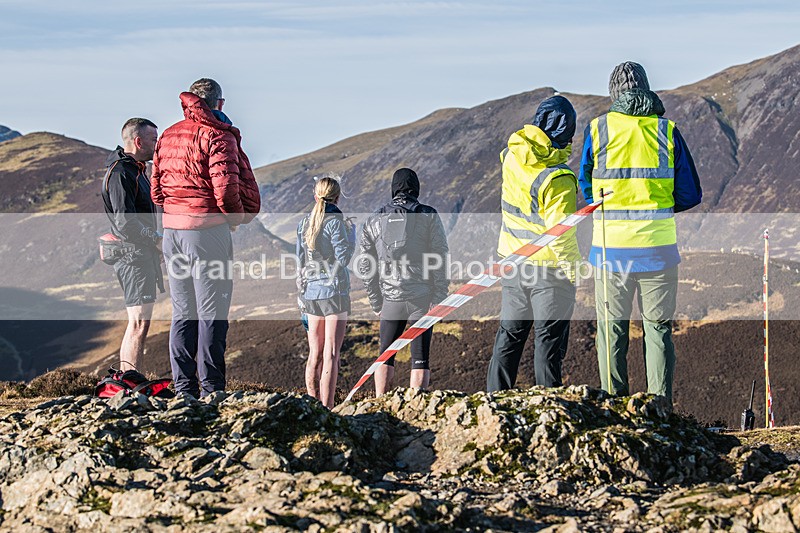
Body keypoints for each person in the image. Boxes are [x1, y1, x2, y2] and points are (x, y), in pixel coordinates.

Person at [579, 62, 702, 403]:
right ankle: (659, 409)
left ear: (613, 93)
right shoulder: (667, 131)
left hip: (609, 249)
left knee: (611, 331)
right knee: (658, 330)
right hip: (658, 248)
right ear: (646, 90)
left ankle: (614, 408)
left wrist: (605, 205)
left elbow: (585, 185)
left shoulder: (597, 130)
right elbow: (691, 194)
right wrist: (658, 206)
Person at [151, 78, 261, 398]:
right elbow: (226, 188)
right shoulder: (217, 135)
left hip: (173, 234)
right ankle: (212, 389)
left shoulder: (168, 135)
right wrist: (235, 218)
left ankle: (184, 388)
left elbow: (157, 190)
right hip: (206, 233)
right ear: (220, 104)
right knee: (212, 311)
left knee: (183, 311)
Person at [487, 96, 581, 392]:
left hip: (513, 264)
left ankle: (494, 400)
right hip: (549, 273)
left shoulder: (511, 157)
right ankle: (549, 405)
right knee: (548, 343)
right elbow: (561, 234)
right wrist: (574, 271)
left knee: (509, 336)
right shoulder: (559, 178)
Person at [357, 168, 449, 395]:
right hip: (422, 298)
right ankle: (416, 407)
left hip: (390, 299)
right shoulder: (428, 214)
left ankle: (381, 404)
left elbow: (367, 266)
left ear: (393, 189)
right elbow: (440, 255)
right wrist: (439, 297)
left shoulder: (374, 220)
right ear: (416, 188)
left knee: (385, 356)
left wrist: (376, 301)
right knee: (420, 358)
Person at [101, 118, 163, 372]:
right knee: (138, 322)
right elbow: (125, 222)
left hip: (139, 255)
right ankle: (129, 381)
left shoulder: (135, 170)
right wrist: (156, 240)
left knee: (140, 322)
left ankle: (130, 380)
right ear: (138, 142)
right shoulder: (121, 173)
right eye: (153, 140)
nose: (157, 145)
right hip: (132, 257)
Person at [296, 175, 355, 408]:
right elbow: (344, 257)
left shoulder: (304, 223)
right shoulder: (335, 222)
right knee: (331, 353)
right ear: (337, 197)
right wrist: (351, 236)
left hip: (311, 293)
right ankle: (328, 409)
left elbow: (300, 260)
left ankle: (313, 406)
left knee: (315, 353)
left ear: (315, 195)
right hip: (334, 293)